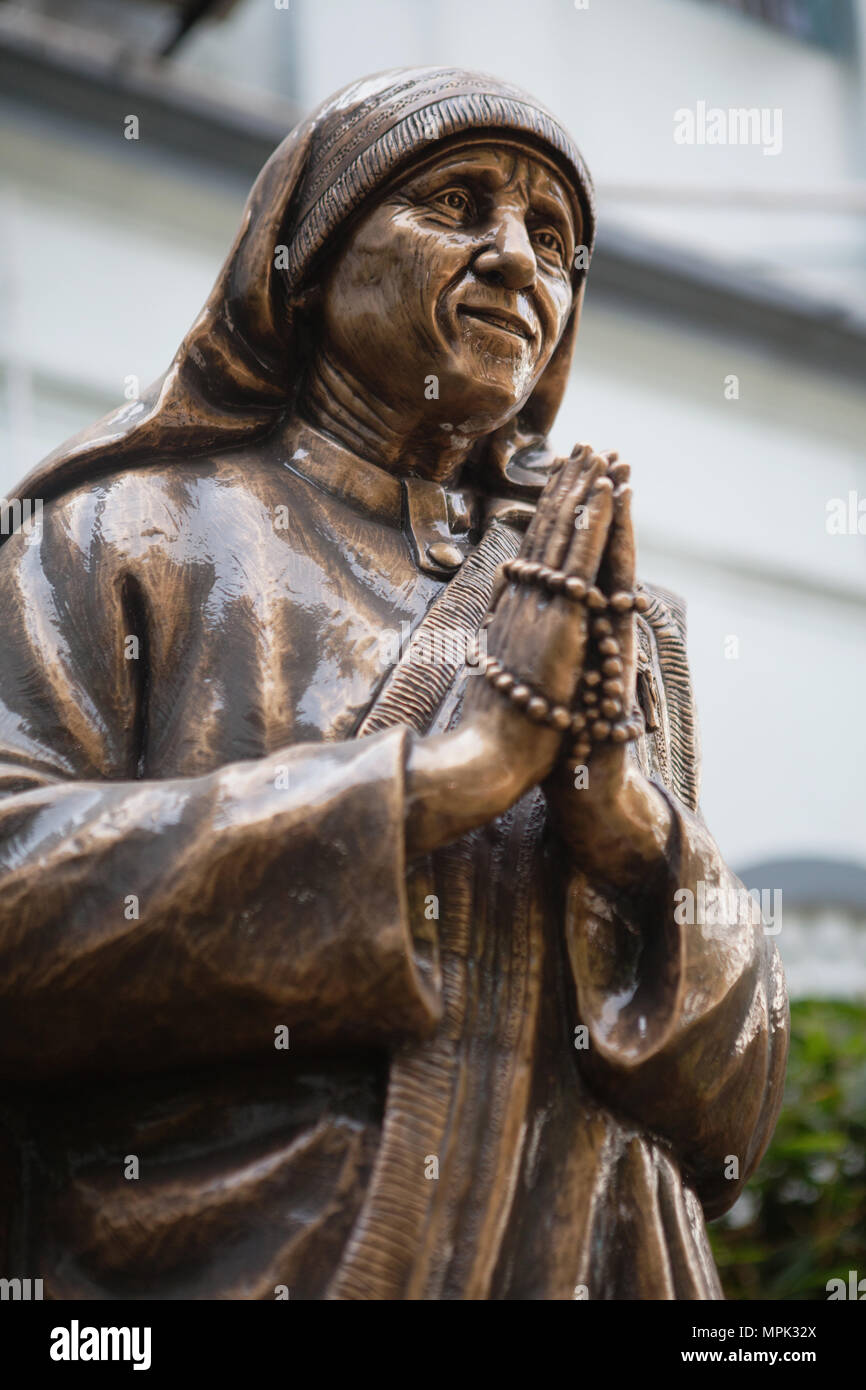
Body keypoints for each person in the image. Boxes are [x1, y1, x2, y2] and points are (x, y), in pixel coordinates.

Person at [0, 67, 787, 1300]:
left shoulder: (609, 606)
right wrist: (437, 782)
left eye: (553, 240)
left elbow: (731, 1125)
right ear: (302, 258)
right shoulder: (128, 533)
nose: (514, 259)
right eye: (456, 202)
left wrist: (630, 834)